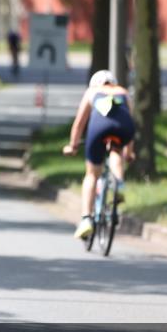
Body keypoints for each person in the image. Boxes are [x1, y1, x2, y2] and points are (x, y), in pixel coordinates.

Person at [62, 70, 136, 240]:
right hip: (124, 129)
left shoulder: (92, 92)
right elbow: (130, 123)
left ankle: (86, 219)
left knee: (91, 174)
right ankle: (119, 184)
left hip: (99, 128)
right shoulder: (123, 92)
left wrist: (72, 146)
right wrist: (130, 153)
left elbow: (79, 123)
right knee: (116, 151)